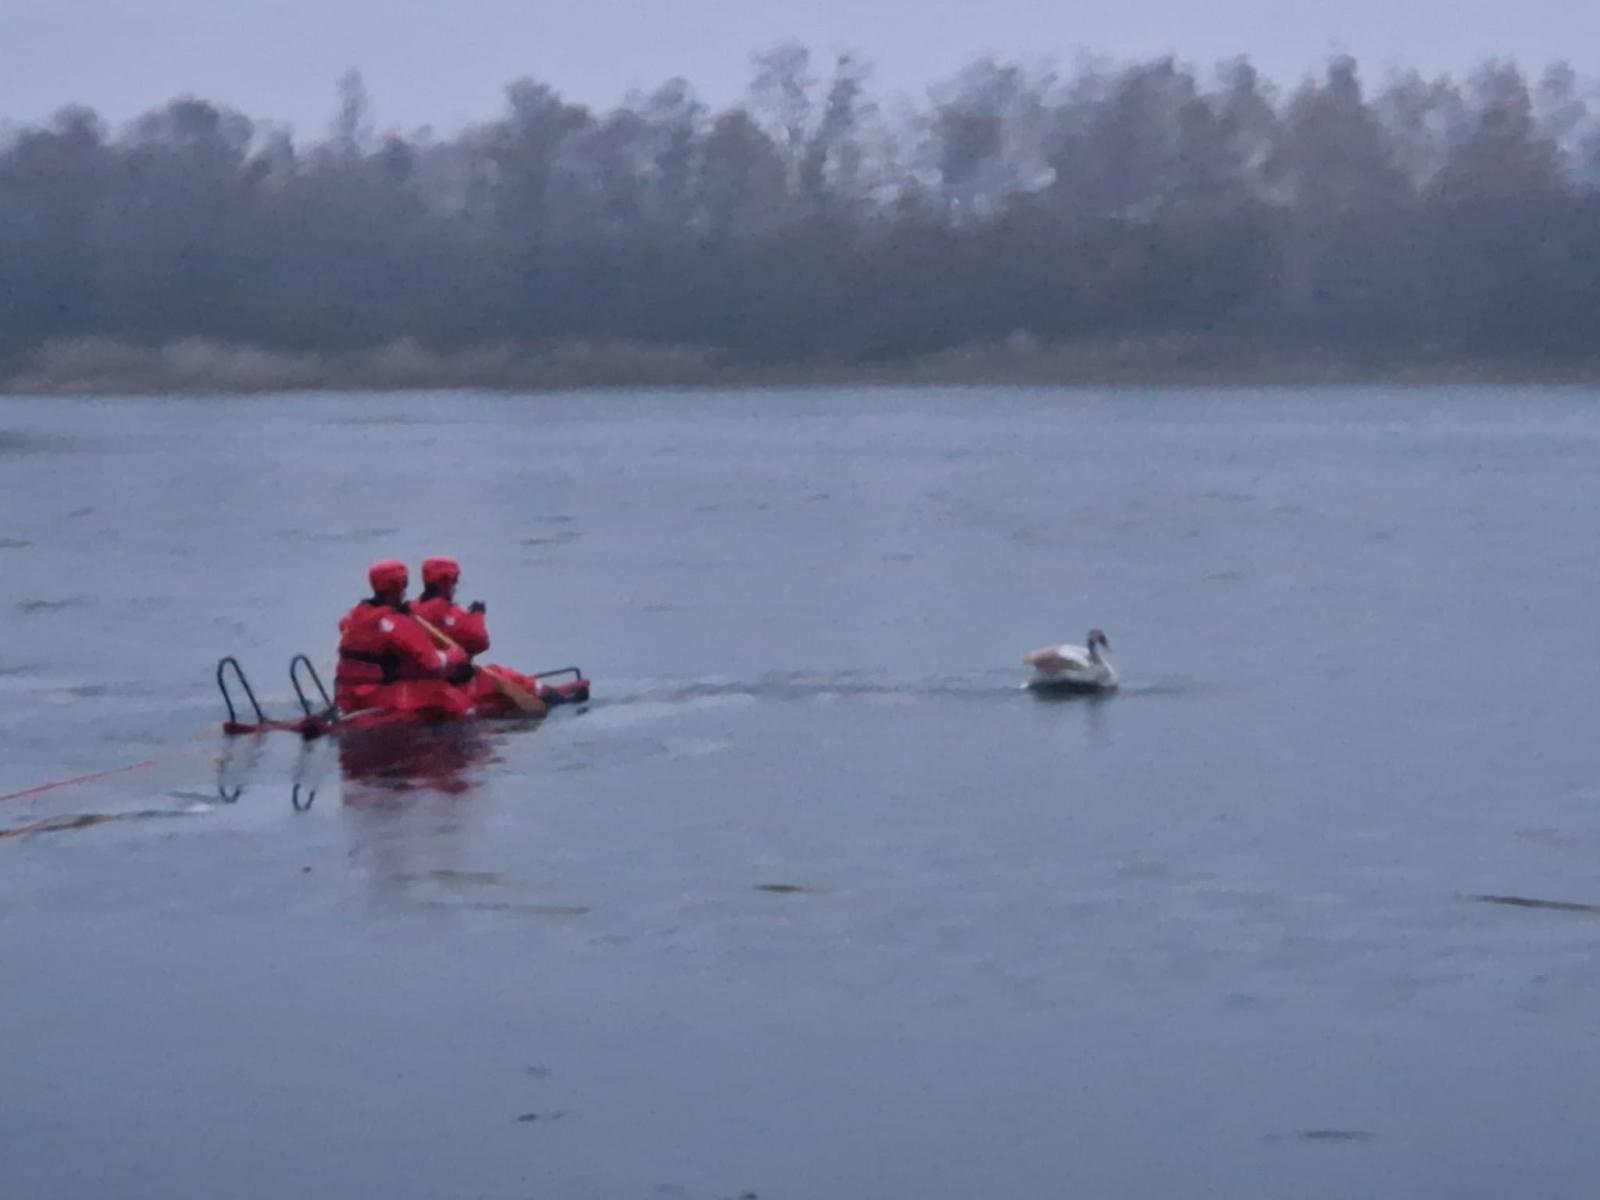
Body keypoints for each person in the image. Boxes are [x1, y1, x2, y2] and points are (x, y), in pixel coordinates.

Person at [335, 559, 472, 720]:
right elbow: (433, 664)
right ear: (399, 585)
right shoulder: (396, 623)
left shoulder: (354, 616)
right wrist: (455, 655)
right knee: (450, 698)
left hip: (347, 694)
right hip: (380, 696)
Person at [412, 556, 544, 717]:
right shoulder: (447, 611)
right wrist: (477, 615)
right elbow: (480, 642)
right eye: (455, 581)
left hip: (422, 681)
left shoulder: (413, 609)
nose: (455, 586)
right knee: (499, 672)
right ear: (446, 582)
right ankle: (544, 691)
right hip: (456, 681)